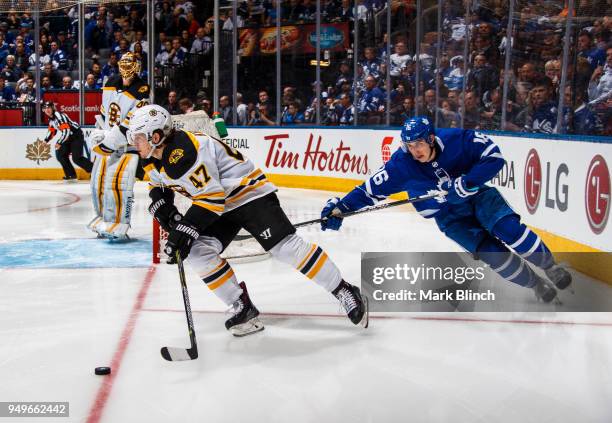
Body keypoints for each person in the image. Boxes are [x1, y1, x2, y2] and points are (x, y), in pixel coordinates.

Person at [128, 104, 368, 336]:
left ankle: (344, 290)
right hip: (220, 203)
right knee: (198, 251)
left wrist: (183, 231)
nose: (133, 143)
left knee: (284, 247)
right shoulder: (154, 153)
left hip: (249, 195)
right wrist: (161, 205)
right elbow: (158, 183)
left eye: (138, 137)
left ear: (156, 136)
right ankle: (242, 306)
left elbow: (211, 199)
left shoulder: (184, 152)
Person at [320, 116, 572, 303]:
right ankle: (536, 284)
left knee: (509, 230)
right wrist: (340, 207)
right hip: (449, 216)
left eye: (418, 144)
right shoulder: (400, 166)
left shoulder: (456, 140)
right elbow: (368, 191)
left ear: (430, 138)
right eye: (409, 145)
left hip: (478, 197)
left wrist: (467, 183)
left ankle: (550, 267)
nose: (413, 151)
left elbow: (494, 156)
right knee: (492, 253)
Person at [87, 52, 150, 240]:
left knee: (119, 186)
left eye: (130, 64)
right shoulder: (111, 83)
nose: (126, 68)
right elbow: (105, 114)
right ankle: (103, 220)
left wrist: (108, 139)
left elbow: (132, 124)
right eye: (124, 63)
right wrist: (99, 132)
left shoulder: (142, 89)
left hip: (127, 148)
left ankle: (120, 225)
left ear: (137, 67)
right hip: (107, 145)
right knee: (97, 184)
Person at [42, 101, 92, 181]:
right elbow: (52, 130)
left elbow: (66, 131)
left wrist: (59, 142)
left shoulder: (59, 116)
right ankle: (71, 175)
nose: (47, 110)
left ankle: (94, 171)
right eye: (45, 108)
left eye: (49, 108)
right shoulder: (51, 119)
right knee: (60, 155)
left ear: (53, 108)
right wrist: (45, 140)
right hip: (68, 137)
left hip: (76, 135)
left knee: (77, 158)